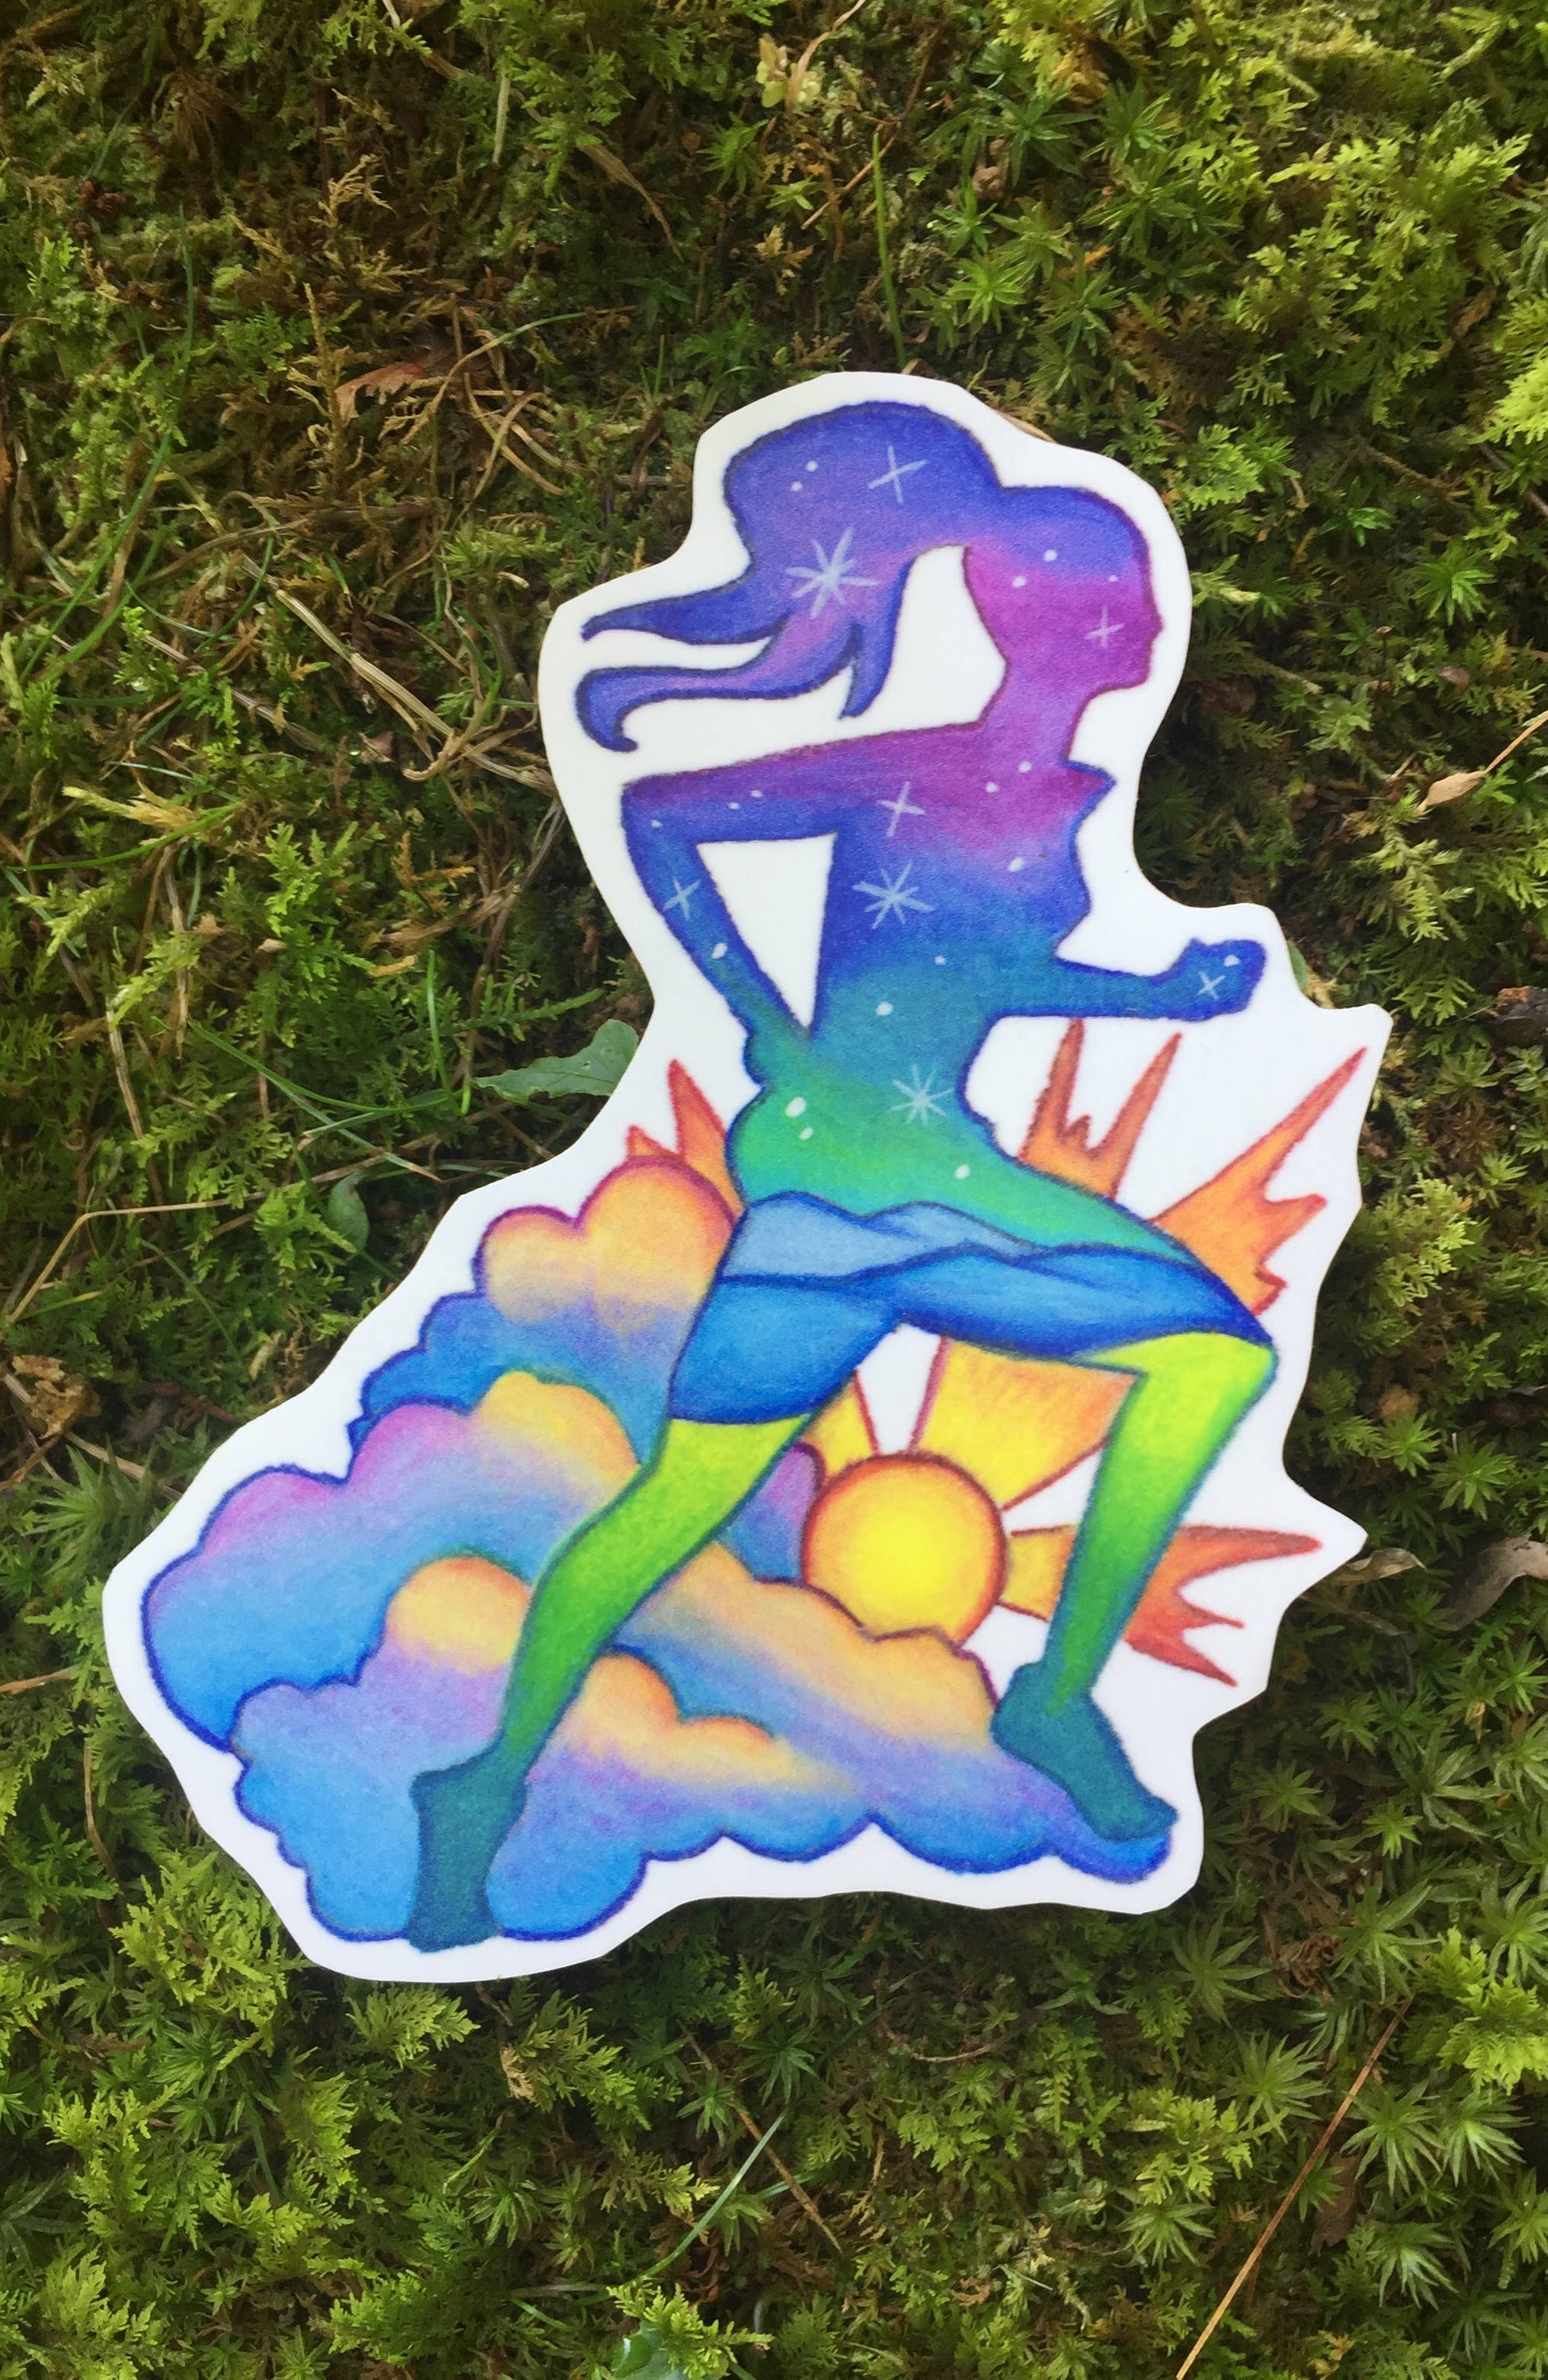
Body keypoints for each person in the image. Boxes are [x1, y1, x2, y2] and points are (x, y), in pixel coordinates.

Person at [408, 398, 1274, 1950]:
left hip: (911, 1190)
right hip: (872, 1195)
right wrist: (756, 1018)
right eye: (1104, 615)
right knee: (1196, 1358)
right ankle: (485, 1782)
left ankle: (1046, 1700)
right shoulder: (920, 764)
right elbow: (662, 812)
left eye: (1133, 612)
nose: (1133, 640)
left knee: (1207, 1358)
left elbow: (968, 973)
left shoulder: (1065, 798)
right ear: (1030, 630)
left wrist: (1161, 998)